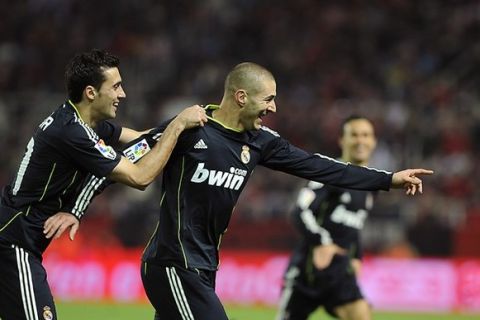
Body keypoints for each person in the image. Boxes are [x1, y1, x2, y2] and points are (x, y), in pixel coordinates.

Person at [97, 62, 428, 320]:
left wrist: (388, 179)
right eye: (268, 98)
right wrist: (72, 207)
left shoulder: (260, 142)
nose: (273, 108)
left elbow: (321, 166)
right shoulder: (188, 127)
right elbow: (125, 161)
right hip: (172, 264)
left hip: (205, 265)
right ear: (242, 96)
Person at [0, 49, 207, 320]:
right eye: (116, 86)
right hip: (12, 245)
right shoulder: (72, 133)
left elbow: (143, 141)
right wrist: (179, 125)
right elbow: (139, 177)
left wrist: (188, 125)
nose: (123, 94)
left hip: (16, 241)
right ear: (91, 93)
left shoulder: (85, 125)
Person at [276, 115, 382, 320]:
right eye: (354, 135)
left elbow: (356, 225)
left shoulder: (371, 184)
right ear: (342, 140)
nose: (361, 140)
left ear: (374, 141)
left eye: (366, 135)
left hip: (339, 271)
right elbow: (300, 210)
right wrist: (322, 242)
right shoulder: (329, 173)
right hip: (308, 270)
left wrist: (358, 257)